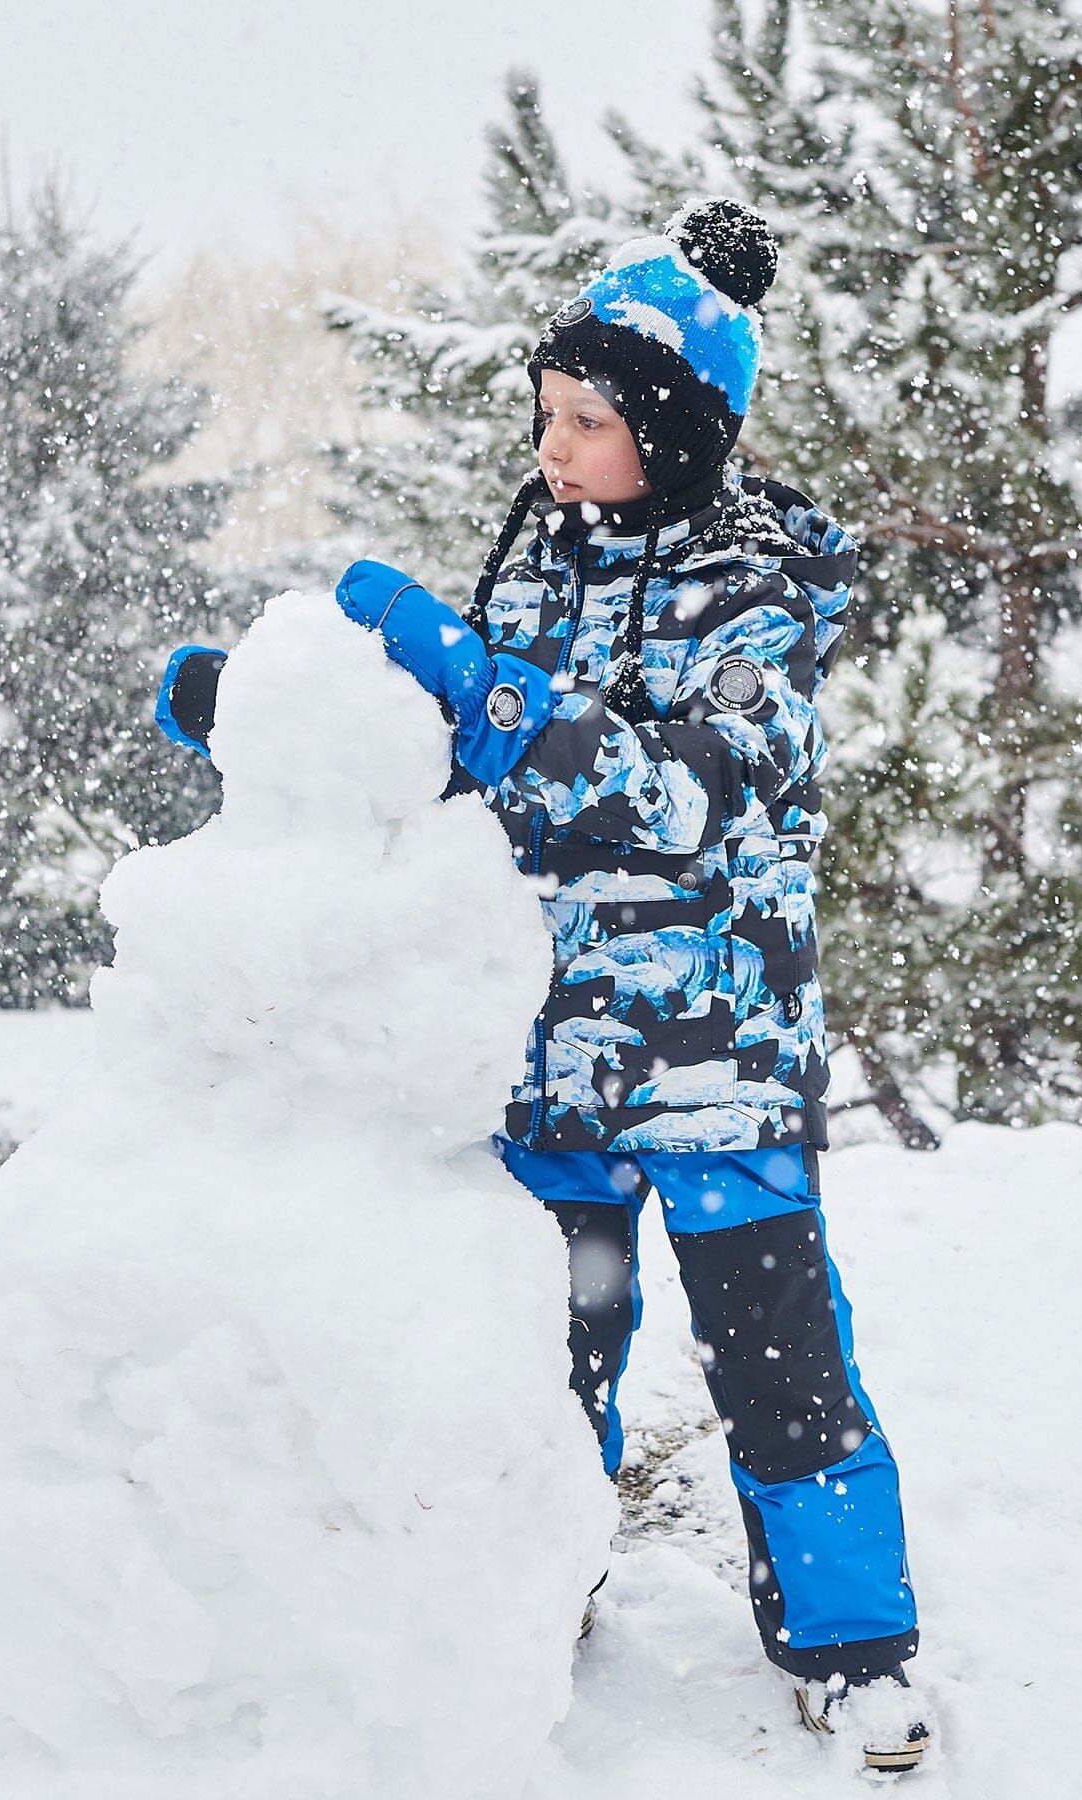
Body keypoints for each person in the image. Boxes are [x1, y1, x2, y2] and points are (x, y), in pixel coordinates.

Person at [157, 198, 928, 1775]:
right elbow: (455, 763)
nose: (557, 447)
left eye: (592, 419)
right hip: (552, 1058)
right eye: (547, 414)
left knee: (783, 1375)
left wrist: (472, 671)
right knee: (538, 1360)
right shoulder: (539, 575)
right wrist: (266, 708)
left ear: (680, 432)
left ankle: (856, 1648)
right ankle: (530, 1589)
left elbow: (676, 799)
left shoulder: (758, 602)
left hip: (718, 1076)